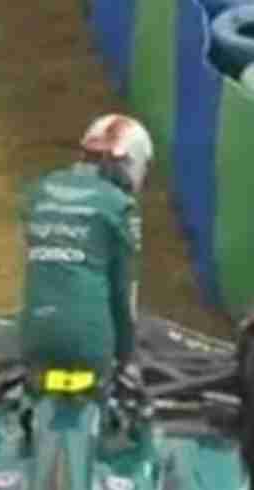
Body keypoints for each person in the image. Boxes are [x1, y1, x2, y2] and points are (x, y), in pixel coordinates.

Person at [17, 113, 152, 385]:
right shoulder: (119, 206)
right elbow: (123, 294)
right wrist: (128, 359)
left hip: (33, 339)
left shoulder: (37, 192)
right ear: (131, 162)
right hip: (90, 347)